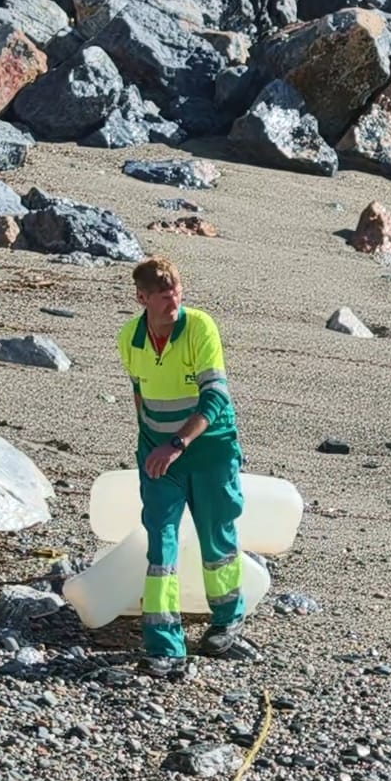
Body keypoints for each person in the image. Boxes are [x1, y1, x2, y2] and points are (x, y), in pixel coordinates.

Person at [118, 256, 250, 679]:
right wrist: (151, 451)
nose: (171, 300)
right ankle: (165, 646)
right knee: (161, 546)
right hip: (160, 455)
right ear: (142, 298)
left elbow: (216, 398)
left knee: (217, 538)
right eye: (162, 295)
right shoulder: (130, 339)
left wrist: (177, 444)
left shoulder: (200, 328)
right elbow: (139, 398)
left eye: (175, 291)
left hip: (209, 449)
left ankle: (227, 621)